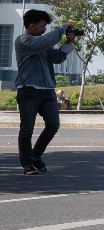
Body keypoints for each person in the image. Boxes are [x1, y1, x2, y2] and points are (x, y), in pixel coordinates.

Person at [14, 9, 77, 175]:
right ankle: (27, 164)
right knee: (27, 129)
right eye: (42, 26)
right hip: (29, 90)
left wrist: (68, 43)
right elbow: (43, 43)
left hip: (48, 90)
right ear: (32, 25)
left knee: (53, 124)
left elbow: (57, 57)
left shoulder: (42, 43)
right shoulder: (23, 41)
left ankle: (35, 155)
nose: (44, 30)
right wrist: (61, 28)